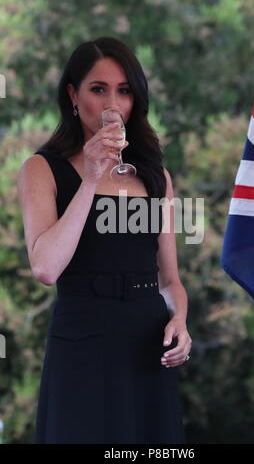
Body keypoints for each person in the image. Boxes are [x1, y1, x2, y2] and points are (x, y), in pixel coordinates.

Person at [17, 36, 192, 444]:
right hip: (82, 343)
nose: (113, 104)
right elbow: (45, 268)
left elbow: (170, 281)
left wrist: (180, 321)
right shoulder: (41, 169)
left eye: (124, 90)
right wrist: (92, 176)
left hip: (148, 346)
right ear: (73, 96)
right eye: (98, 89)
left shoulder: (155, 176)